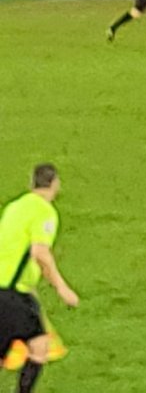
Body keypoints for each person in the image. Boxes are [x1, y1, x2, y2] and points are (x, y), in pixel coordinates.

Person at [0, 164, 79, 392]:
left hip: (8, 290)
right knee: (40, 347)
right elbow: (40, 253)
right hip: (13, 293)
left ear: (32, 182)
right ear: (55, 184)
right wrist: (63, 289)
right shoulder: (44, 211)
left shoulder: (14, 207)